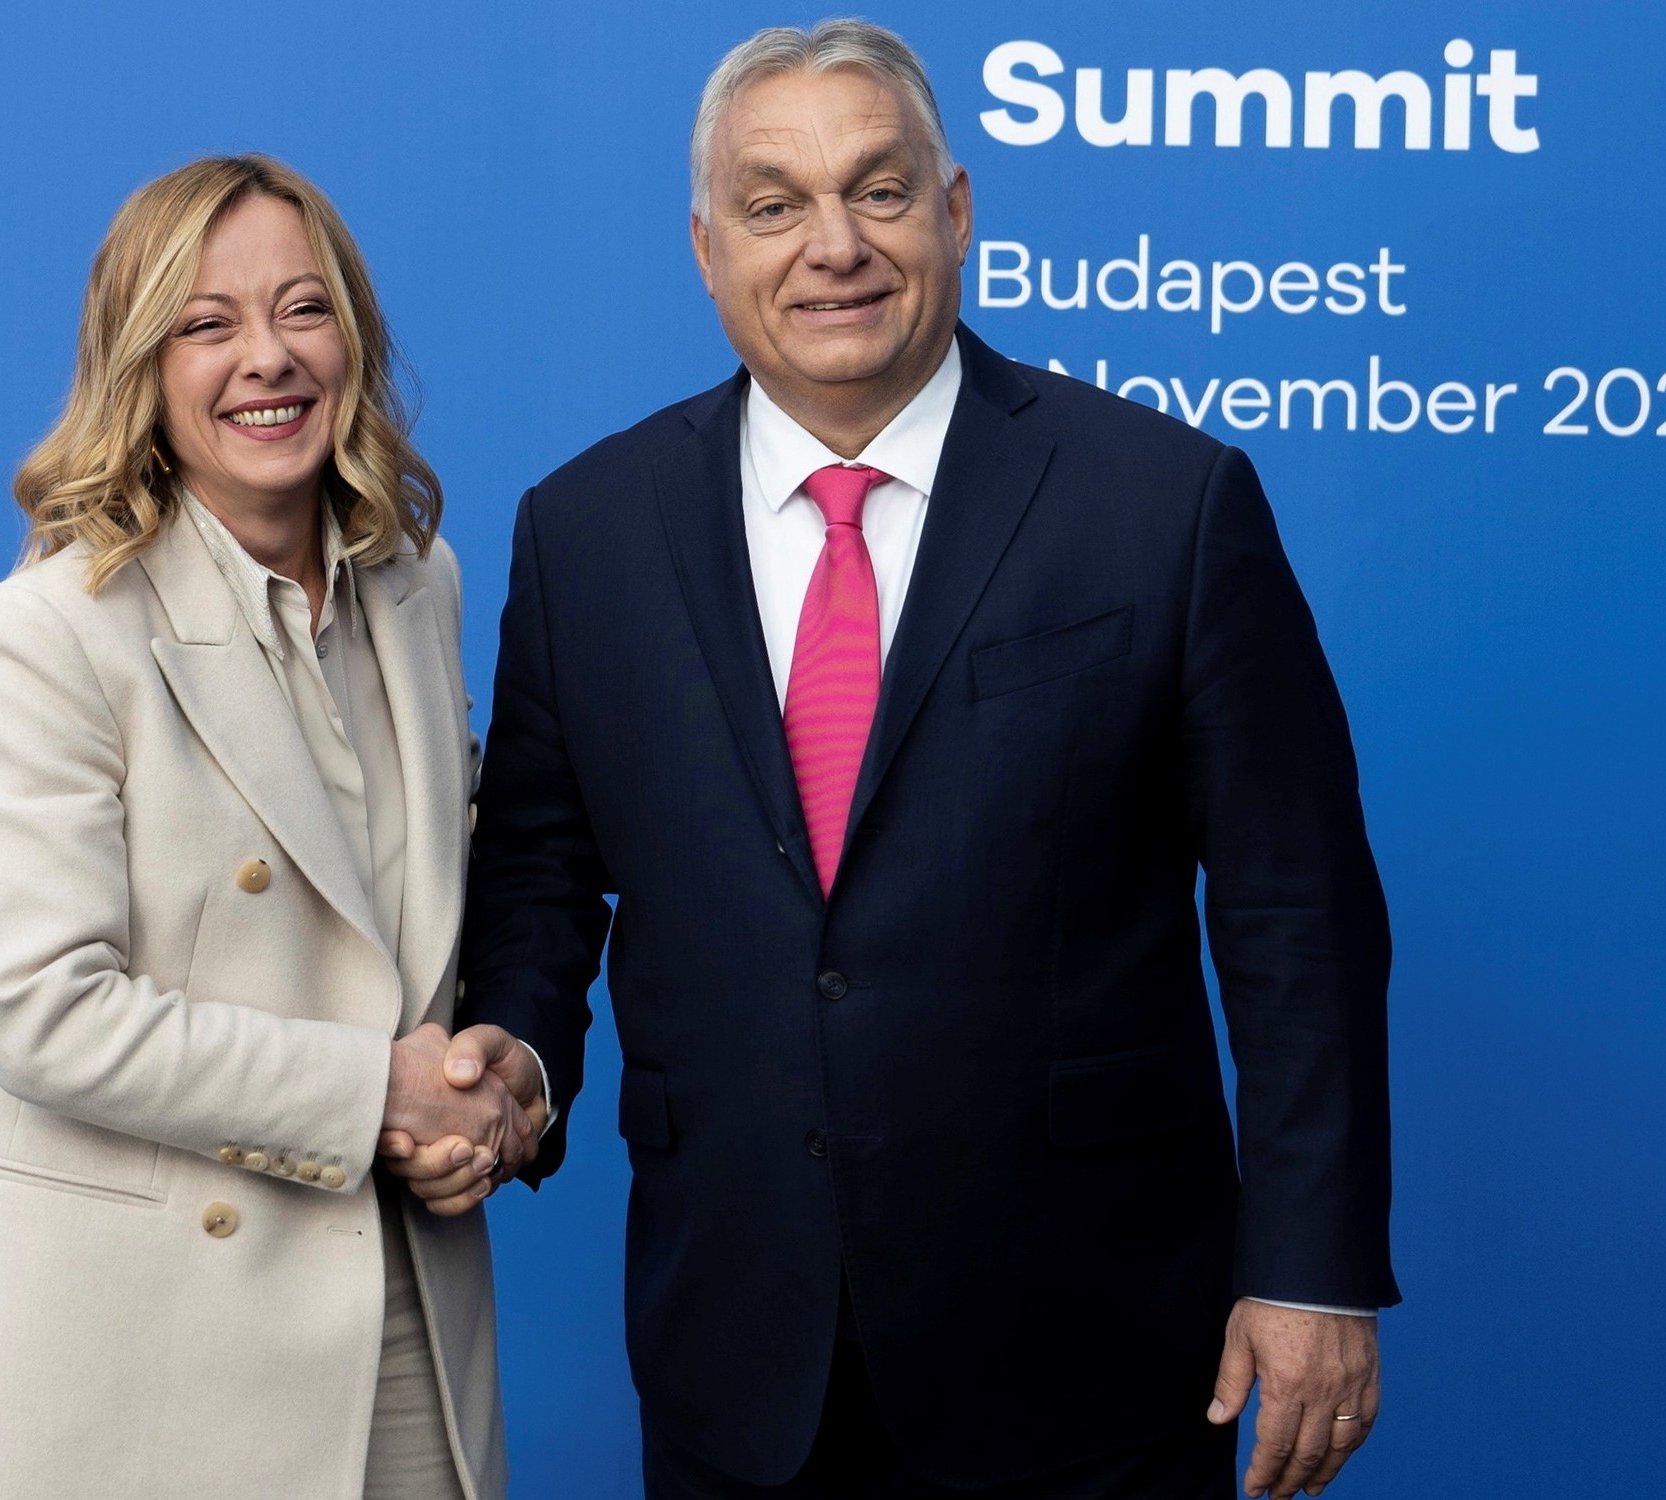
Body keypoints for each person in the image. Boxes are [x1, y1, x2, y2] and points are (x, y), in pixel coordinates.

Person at [388, 20, 1397, 1500]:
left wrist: (1312, 1264)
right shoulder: (586, 528)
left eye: (878, 189)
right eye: (774, 204)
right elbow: (543, 863)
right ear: (707, 248)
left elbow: (1295, 910)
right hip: (738, 1351)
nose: (834, 247)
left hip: (1090, 1349)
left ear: (956, 209)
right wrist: (520, 1059)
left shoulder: (1165, 504)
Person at [0, 154, 535, 1500]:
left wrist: (498, 1084)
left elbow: (443, 903)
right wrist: (381, 1093)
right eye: (207, 323)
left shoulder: (418, 585)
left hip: (401, 1301)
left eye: (304, 309)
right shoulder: (47, 631)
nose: (267, 358)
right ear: (141, 365)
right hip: (135, 1344)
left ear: (353, 337)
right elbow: (46, 1011)